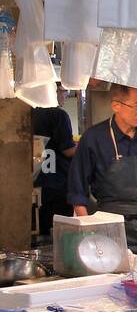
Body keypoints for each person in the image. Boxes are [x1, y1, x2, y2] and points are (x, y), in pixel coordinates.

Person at [67, 84, 137, 253]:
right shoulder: (93, 138)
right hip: (110, 230)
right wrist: (89, 229)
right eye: (136, 105)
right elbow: (77, 191)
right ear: (116, 105)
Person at [32, 90, 77, 235]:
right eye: (65, 91)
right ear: (53, 89)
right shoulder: (58, 114)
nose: (65, 95)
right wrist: (87, 145)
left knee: (40, 229)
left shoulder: (30, 112)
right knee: (61, 233)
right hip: (57, 182)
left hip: (36, 180)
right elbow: (68, 150)